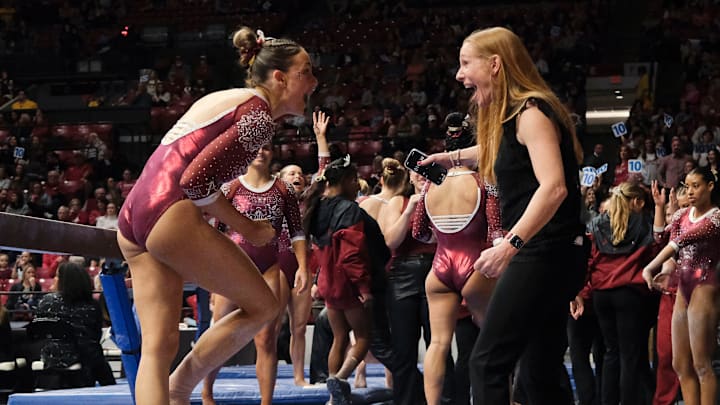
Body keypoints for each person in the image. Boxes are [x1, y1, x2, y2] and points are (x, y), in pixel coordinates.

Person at [115, 26, 317, 404]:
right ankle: (180, 388)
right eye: (306, 72)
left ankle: (174, 389)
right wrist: (248, 227)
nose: (314, 81)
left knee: (157, 350)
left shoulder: (231, 99)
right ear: (279, 77)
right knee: (263, 306)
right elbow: (195, 181)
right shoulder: (257, 114)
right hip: (169, 209)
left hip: (134, 214)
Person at [421, 27, 587, 404]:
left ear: (495, 65)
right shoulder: (519, 116)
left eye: (466, 64)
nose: (459, 74)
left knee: (487, 363)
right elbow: (504, 151)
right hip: (554, 252)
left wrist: (509, 245)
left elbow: (554, 188)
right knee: (539, 370)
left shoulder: (531, 113)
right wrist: (450, 158)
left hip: (543, 253)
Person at [201, 141, 308, 405]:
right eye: (256, 148)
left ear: (273, 153)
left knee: (266, 338)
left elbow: (297, 232)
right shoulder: (231, 187)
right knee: (219, 334)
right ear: (245, 152)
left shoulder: (283, 189)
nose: (261, 152)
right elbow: (211, 229)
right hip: (233, 268)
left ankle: (266, 402)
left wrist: (304, 267)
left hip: (268, 268)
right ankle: (206, 394)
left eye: (267, 148)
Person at [411, 116, 503, 405]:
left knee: (438, 343)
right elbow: (497, 229)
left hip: (440, 267)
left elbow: (419, 233)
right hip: (474, 264)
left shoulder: (429, 186)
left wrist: (444, 235)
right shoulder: (483, 181)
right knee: (494, 340)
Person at [642, 166, 720, 405]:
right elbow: (661, 240)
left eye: (697, 186)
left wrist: (649, 267)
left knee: (701, 364)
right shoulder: (679, 216)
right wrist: (658, 207)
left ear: (710, 186)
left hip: (704, 285)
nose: (691, 191)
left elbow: (680, 241)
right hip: (682, 287)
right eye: (687, 186)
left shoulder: (716, 217)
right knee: (679, 363)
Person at [577, 182, 658, 404]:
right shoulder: (644, 224)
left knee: (611, 353)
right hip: (629, 295)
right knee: (629, 356)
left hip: (602, 295)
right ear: (637, 201)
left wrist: (580, 291)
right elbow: (655, 253)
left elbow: (589, 261)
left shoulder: (596, 224)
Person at [35, 262, 116, 387]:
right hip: (83, 363)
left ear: (64, 281)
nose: (54, 280)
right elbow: (94, 339)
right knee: (96, 359)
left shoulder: (47, 301)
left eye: (57, 277)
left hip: (53, 364)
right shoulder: (92, 305)